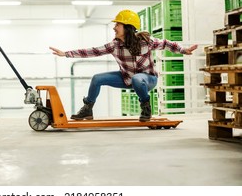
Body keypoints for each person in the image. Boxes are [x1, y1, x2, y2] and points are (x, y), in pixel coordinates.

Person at [50, 10, 198, 122]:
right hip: (127, 78)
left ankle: (146, 108)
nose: (114, 27)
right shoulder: (114, 45)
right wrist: (66, 54)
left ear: (127, 27)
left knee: (138, 79)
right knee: (97, 79)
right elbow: (93, 51)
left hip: (148, 80)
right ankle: (88, 109)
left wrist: (183, 50)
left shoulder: (145, 41)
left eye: (117, 24)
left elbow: (166, 43)